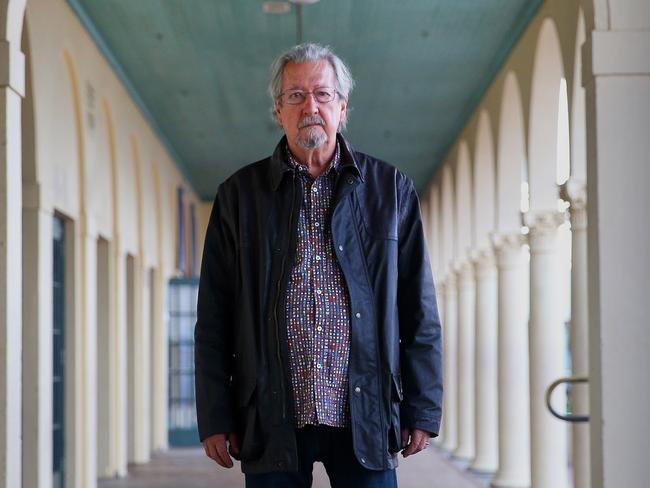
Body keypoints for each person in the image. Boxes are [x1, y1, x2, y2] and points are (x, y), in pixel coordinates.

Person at [195, 43, 442, 488]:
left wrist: (422, 408)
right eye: (295, 95)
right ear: (278, 110)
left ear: (342, 107)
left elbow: (418, 309)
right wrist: (215, 413)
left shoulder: (391, 191)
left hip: (363, 411)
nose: (310, 106)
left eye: (323, 94)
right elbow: (214, 317)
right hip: (272, 412)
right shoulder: (238, 197)